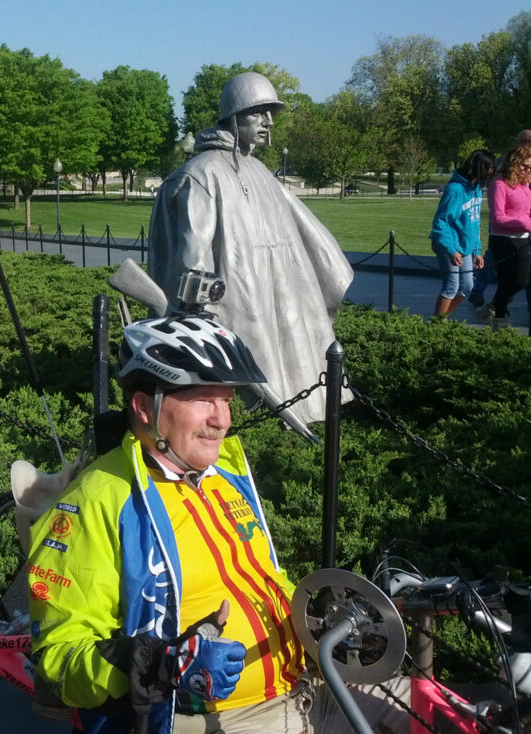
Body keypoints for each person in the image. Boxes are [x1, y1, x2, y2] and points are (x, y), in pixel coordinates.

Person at [28, 313, 410, 734]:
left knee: (444, 713)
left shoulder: (223, 477)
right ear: (143, 406)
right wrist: (159, 662)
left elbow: (257, 579)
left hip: (313, 682)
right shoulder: (95, 502)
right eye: (203, 399)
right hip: (224, 718)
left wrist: (320, 610)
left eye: (226, 400)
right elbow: (59, 660)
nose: (222, 419)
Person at [147, 72, 352, 427]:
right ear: (233, 115)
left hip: (279, 306)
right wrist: (197, 314)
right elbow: (191, 261)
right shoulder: (202, 174)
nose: (268, 121)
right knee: (247, 407)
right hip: (237, 312)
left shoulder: (260, 172)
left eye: (270, 112)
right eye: (258, 112)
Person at [428, 149, 494, 319]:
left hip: (465, 247)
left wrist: (477, 251)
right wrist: (451, 250)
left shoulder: (477, 189)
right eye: (489, 168)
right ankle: (436, 326)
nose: (491, 172)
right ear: (479, 168)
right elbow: (441, 222)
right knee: (451, 286)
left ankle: (440, 319)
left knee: (467, 287)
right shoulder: (455, 189)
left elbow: (475, 221)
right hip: (449, 244)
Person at [479, 144, 531, 329]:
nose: (527, 170)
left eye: (530, 167)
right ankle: (499, 316)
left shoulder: (525, 186)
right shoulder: (498, 184)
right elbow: (498, 218)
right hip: (503, 239)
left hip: (524, 239)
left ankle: (495, 306)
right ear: (514, 163)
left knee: (521, 281)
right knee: (510, 280)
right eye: (524, 166)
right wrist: (525, 223)